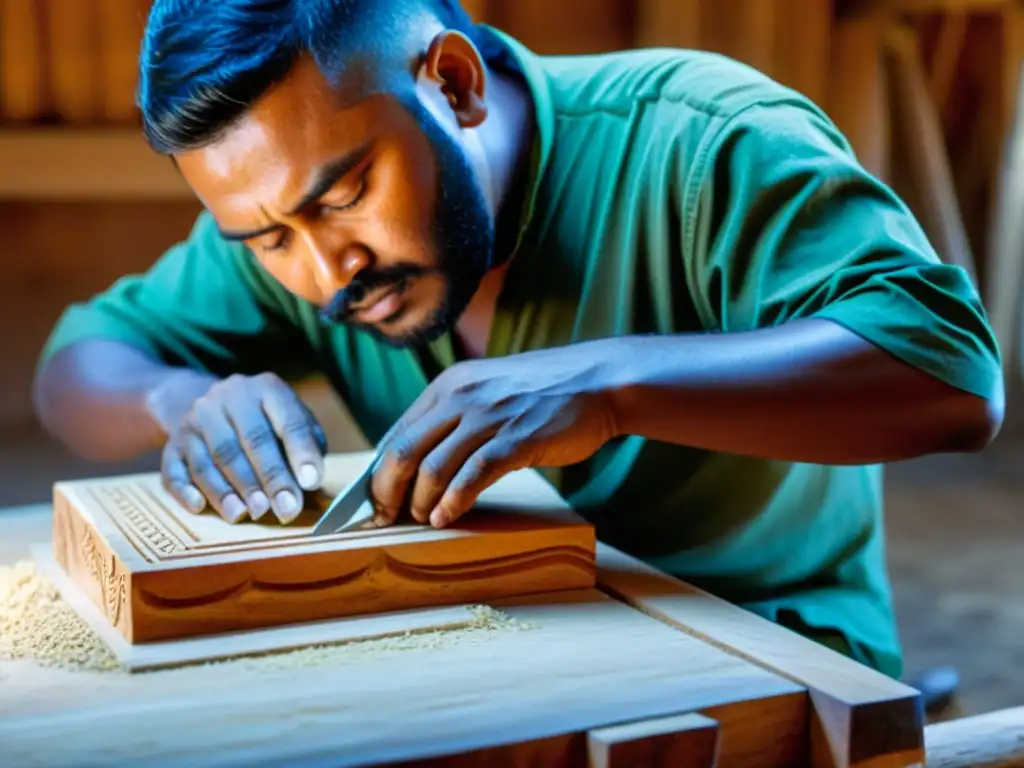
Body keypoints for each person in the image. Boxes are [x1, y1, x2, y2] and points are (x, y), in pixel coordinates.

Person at [32, 0, 1003, 682]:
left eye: (344, 197)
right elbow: (75, 369)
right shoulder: (287, 230)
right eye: (269, 238)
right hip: (493, 631)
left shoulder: (702, 136)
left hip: (765, 638)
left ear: (453, 83)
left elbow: (951, 377)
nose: (329, 272)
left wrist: (608, 385)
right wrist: (178, 400)